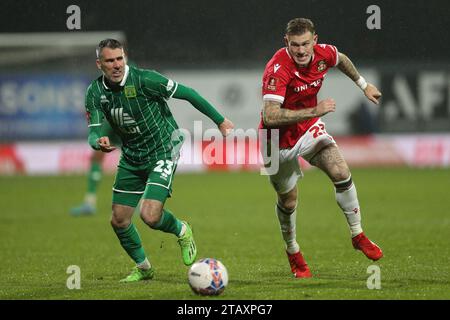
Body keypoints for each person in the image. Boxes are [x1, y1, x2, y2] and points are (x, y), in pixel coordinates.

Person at [85, 39, 234, 282]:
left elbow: (188, 93)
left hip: (164, 148)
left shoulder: (146, 79)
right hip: (132, 155)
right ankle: (144, 268)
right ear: (99, 64)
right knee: (119, 220)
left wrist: (220, 120)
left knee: (150, 216)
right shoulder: (94, 92)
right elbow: (93, 130)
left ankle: (182, 230)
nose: (116, 65)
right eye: (110, 60)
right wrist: (97, 141)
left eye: (119, 58)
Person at [260, 18, 383, 278]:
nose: (302, 51)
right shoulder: (277, 68)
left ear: (315, 40)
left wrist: (364, 85)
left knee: (340, 171)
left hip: (308, 129)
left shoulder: (323, 53)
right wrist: (315, 110)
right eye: (295, 45)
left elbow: (342, 59)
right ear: (287, 43)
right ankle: (292, 250)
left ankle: (358, 234)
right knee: (288, 200)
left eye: (306, 44)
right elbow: (270, 116)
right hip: (274, 142)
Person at [70, 121, 120, 216]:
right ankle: (89, 202)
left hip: (122, 117)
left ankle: (90, 202)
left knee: (137, 154)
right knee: (97, 155)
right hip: (117, 118)